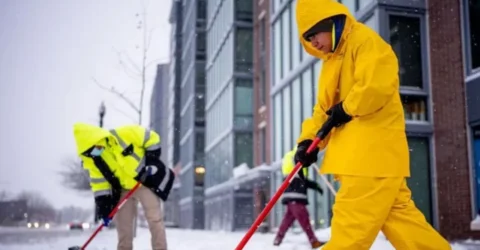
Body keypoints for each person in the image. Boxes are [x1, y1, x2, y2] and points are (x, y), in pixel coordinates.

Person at [293, 0, 452, 249]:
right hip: (373, 162)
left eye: (314, 34)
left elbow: (376, 86)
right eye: (306, 38)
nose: (312, 42)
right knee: (403, 222)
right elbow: (323, 111)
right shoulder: (331, 61)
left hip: (368, 157)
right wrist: (308, 141)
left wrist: (346, 108)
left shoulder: (364, 42)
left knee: (349, 233)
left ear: (329, 23)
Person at [73, 123, 174, 250]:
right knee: (124, 227)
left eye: (94, 147)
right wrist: (104, 210)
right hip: (123, 189)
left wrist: (151, 161)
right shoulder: (95, 158)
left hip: (143, 183)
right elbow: (99, 184)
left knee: (154, 220)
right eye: (90, 151)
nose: (94, 152)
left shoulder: (125, 133)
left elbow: (152, 138)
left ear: (99, 138)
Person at [273, 148, 324, 248]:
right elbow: (303, 181)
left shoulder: (289, 157)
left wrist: (316, 186)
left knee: (287, 220)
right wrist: (316, 186)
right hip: (296, 197)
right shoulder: (298, 158)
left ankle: (278, 239)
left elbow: (303, 181)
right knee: (304, 218)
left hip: (290, 196)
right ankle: (313, 241)